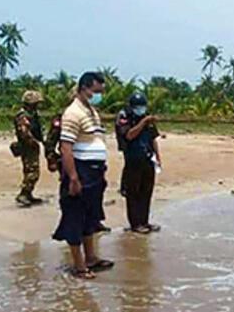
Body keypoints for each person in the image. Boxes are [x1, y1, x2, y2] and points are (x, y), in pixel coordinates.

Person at [52, 72, 114, 279]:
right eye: (96, 91)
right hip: (81, 171)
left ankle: (91, 258)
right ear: (84, 88)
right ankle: (79, 266)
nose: (99, 95)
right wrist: (73, 177)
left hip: (96, 173)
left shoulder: (92, 111)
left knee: (91, 217)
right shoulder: (72, 113)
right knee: (75, 217)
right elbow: (66, 147)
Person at [45, 109, 111, 233]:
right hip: (70, 160)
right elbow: (51, 141)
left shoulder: (92, 116)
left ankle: (94, 221)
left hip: (91, 161)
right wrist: (51, 160)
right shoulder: (65, 117)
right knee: (72, 194)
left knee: (96, 192)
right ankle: (71, 224)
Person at [116, 92, 162, 234]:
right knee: (133, 192)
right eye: (138, 107)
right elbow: (129, 135)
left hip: (148, 158)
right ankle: (135, 223)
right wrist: (143, 122)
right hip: (133, 159)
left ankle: (144, 221)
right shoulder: (124, 116)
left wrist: (158, 156)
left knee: (146, 191)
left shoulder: (146, 117)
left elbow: (153, 138)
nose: (140, 109)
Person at [11, 90, 45, 207]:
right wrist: (33, 141)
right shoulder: (23, 116)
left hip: (32, 146)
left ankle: (28, 194)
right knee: (32, 171)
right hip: (27, 146)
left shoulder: (33, 114)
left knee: (32, 170)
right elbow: (24, 133)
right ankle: (23, 194)